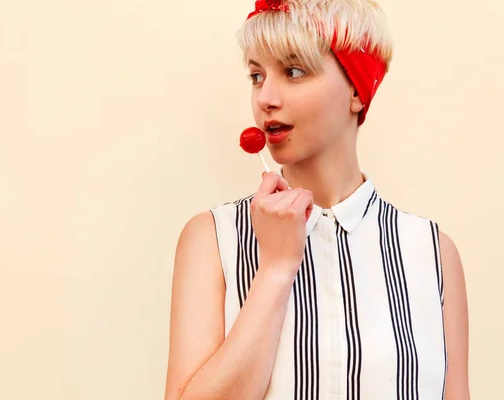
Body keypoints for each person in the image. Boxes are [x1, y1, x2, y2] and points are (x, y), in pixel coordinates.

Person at [164, 0, 470, 399]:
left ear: (357, 92)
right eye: (257, 76)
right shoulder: (212, 237)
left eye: (293, 71)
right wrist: (275, 268)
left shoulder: (431, 251)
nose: (265, 98)